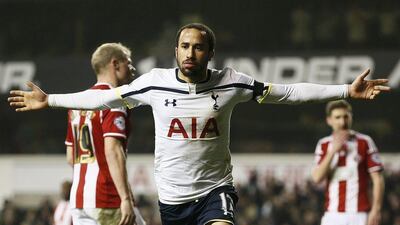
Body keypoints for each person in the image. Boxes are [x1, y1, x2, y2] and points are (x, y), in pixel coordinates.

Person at [8, 23, 390, 225]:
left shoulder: (232, 82)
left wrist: (344, 89)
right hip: (172, 199)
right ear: (176, 50)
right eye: (185, 46)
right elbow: (102, 97)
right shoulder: (154, 82)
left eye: (199, 47)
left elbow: (288, 91)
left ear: (210, 52)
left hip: (214, 190)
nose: (191, 53)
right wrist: (51, 100)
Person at [59, 42, 144, 225]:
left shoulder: (77, 104)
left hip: (79, 200)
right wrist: (126, 199)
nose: (132, 69)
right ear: (115, 64)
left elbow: (70, 157)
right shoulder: (113, 100)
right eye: (128, 63)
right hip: (107, 198)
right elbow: (112, 150)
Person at [311, 100, 385, 225]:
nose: (342, 122)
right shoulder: (323, 145)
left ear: (351, 117)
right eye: (337, 117)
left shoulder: (365, 142)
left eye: (346, 116)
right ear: (329, 120)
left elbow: (377, 179)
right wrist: (333, 150)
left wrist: (376, 209)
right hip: (333, 214)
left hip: (360, 214)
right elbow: (317, 178)